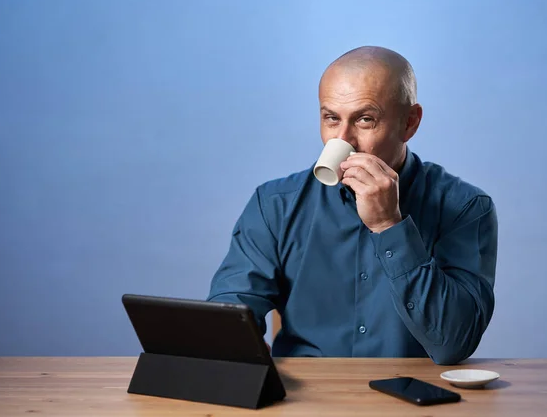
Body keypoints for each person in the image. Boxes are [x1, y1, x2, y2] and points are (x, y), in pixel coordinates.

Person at [207, 46, 498, 365]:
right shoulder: (275, 205)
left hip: (414, 399)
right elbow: (229, 313)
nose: (342, 141)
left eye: (365, 119)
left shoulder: (466, 207)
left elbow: (454, 343)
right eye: (331, 119)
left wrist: (390, 227)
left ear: (409, 123)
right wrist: (236, 345)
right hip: (307, 399)